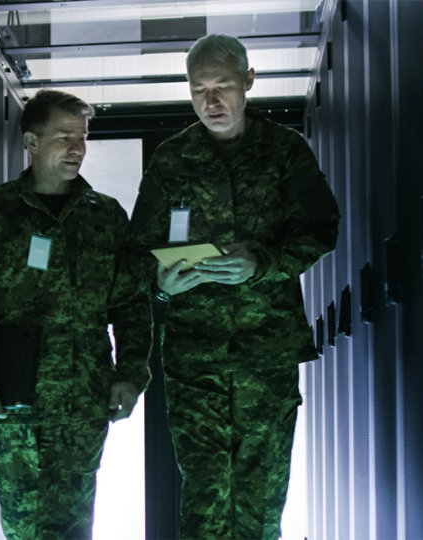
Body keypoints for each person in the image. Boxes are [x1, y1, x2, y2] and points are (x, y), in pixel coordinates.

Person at [126, 34, 340, 539]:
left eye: (222, 86)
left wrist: (262, 263)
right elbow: (136, 253)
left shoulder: (285, 151)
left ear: (248, 82)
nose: (211, 102)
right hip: (192, 357)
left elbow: (320, 230)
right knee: (204, 494)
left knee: (262, 495)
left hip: (265, 353)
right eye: (199, 90)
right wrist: (161, 284)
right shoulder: (171, 161)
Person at [0, 89, 151, 539]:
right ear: (32, 142)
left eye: (81, 138)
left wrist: (131, 374)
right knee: (24, 528)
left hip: (83, 404)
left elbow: (132, 305)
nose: (76, 148)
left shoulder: (106, 218)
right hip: (13, 405)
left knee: (76, 527)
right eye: (63, 137)